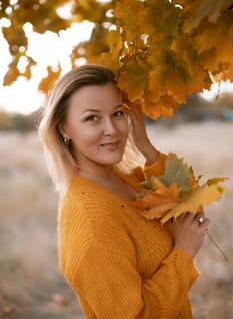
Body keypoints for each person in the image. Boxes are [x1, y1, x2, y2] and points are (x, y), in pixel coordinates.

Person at [38, 64, 209, 319]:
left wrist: (144, 145)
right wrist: (183, 254)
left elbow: (192, 211)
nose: (112, 129)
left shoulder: (128, 179)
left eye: (117, 113)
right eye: (92, 118)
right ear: (64, 128)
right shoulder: (91, 222)